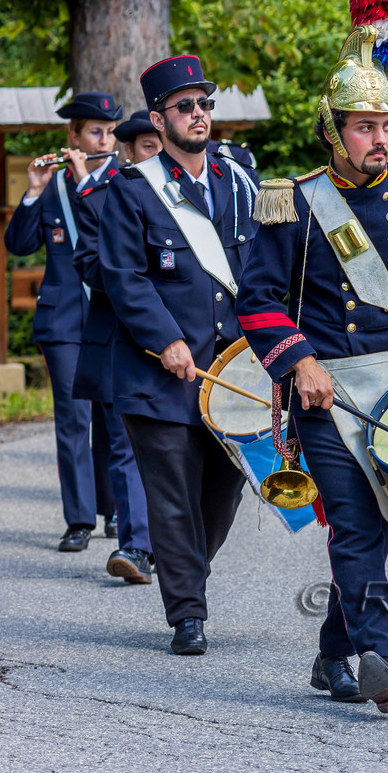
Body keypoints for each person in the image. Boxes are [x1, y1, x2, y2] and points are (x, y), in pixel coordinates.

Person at [239, 3, 388, 713]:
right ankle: (381, 655)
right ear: (334, 131)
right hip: (326, 389)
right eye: (364, 127)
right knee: (355, 522)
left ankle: (330, 653)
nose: (379, 138)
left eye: (384, 125)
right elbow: (256, 301)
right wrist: (299, 363)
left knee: (375, 527)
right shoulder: (296, 202)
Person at [97, 56, 253, 655]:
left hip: (232, 370)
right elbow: (123, 277)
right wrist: (164, 338)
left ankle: (184, 567)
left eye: (205, 105)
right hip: (155, 373)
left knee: (223, 489)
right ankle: (188, 611)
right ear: (158, 120)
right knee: (171, 492)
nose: (199, 115)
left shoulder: (237, 183)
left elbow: (256, 271)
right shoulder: (133, 190)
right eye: (185, 107)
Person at [6, 91, 123, 553]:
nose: (105, 140)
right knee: (73, 418)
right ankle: (78, 519)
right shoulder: (51, 185)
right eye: (96, 132)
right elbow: (18, 244)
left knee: (113, 415)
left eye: (111, 132)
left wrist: (86, 184)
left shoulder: (122, 181)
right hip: (63, 322)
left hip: (111, 319)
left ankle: (114, 511)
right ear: (72, 136)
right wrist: (34, 190)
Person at [70, 104, 155, 583]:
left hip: (189, 342)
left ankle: (176, 543)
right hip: (124, 338)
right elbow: (88, 263)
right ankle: (136, 546)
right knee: (125, 445)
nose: (155, 155)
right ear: (127, 151)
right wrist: (131, 277)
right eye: (145, 148)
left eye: (158, 147)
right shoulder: (102, 195)